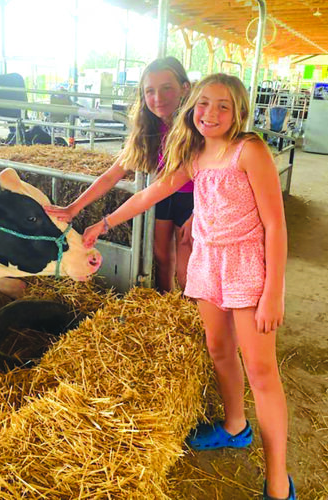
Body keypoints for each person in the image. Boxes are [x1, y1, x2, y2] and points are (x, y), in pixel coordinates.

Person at [82, 73, 295, 500]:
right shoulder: (195, 154)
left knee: (261, 371)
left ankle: (277, 479)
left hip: (246, 266)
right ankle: (235, 426)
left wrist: (273, 292)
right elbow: (150, 194)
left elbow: (275, 224)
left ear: (238, 112)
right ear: (191, 107)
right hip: (207, 262)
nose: (210, 113)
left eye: (223, 105)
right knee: (218, 349)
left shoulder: (249, 150)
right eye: (203, 103)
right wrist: (104, 223)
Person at [45, 56, 193, 292]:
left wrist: (199, 212)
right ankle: (167, 302)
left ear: (185, 88)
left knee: (186, 267)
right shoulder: (148, 129)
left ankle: (189, 308)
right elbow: (111, 175)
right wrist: (74, 208)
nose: (158, 98)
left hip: (193, 199)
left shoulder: (196, 127)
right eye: (150, 91)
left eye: (167, 88)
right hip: (163, 196)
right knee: (162, 256)